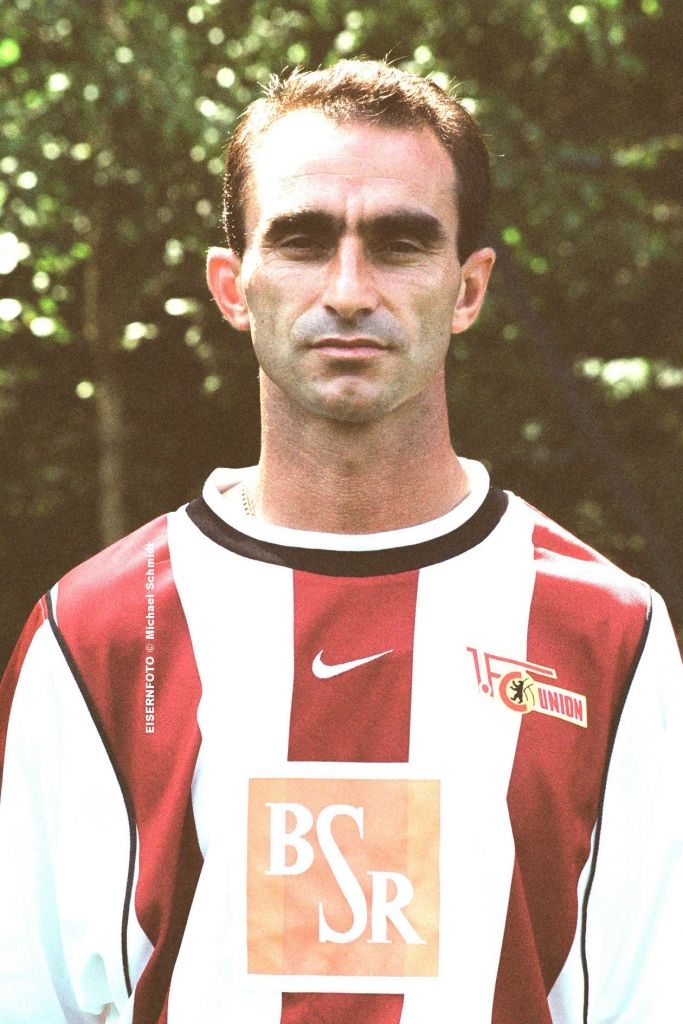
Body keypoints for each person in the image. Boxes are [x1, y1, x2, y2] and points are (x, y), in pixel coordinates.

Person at [0, 58, 681, 1024]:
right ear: (233, 287)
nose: (350, 289)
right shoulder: (95, 633)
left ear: (468, 288)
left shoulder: (608, 635)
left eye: (400, 244)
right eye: (303, 240)